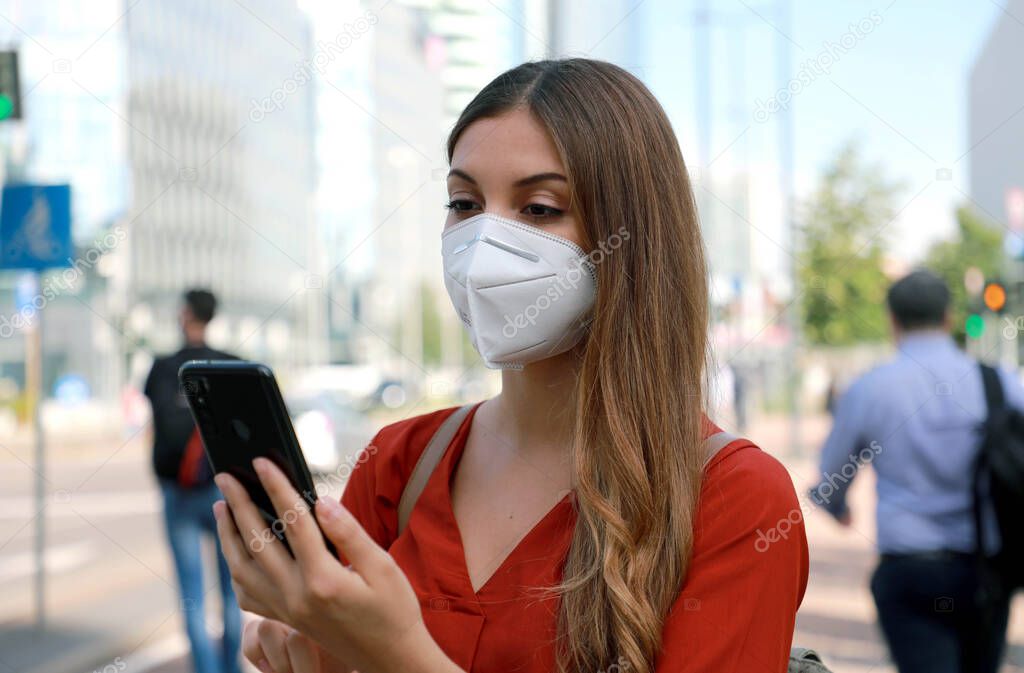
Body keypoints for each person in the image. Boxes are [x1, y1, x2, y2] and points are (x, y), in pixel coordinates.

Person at [210, 58, 808, 673]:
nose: (484, 246)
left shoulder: (735, 499)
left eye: (540, 208)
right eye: (464, 203)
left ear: (633, 237)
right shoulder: (399, 461)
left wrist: (397, 656)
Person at [808, 269, 1018, 673]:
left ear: (892, 319)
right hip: (986, 570)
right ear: (949, 316)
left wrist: (837, 509)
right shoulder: (998, 381)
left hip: (909, 570)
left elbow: (831, 478)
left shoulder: (871, 388)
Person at [144, 289, 242, 673]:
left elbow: (154, 427)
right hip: (226, 490)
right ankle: (231, 669)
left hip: (178, 493)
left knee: (192, 596)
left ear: (185, 314)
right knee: (232, 592)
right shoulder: (231, 365)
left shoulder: (163, 368)